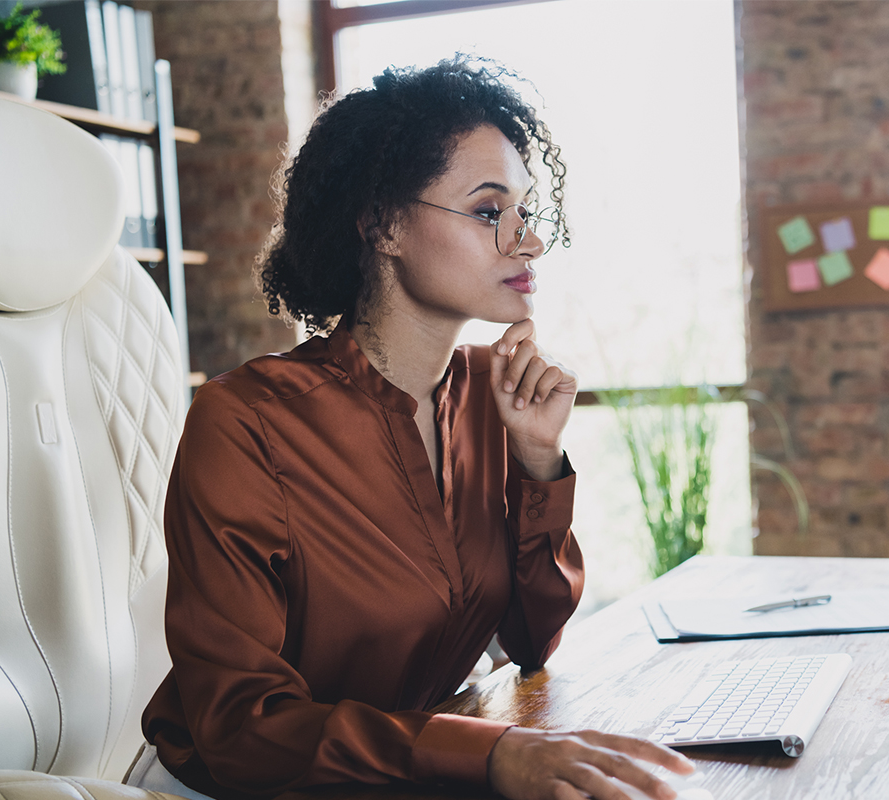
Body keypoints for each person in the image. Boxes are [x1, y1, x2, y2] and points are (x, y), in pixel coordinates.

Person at [141, 57, 693, 800]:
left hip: (411, 776)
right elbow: (242, 731)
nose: (526, 243)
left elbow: (531, 645)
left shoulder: (483, 395)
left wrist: (538, 463)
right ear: (384, 224)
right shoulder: (246, 424)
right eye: (489, 211)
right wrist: (488, 755)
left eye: (527, 214)